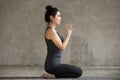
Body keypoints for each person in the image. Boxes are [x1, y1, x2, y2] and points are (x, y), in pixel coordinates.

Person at [41, 5, 83, 78]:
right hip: (52, 66)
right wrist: (68, 35)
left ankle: (55, 75)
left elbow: (61, 45)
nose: (60, 18)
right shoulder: (51, 31)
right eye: (58, 16)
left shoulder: (53, 31)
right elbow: (62, 47)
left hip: (53, 65)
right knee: (79, 72)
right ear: (51, 17)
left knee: (78, 71)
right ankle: (54, 76)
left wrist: (67, 34)